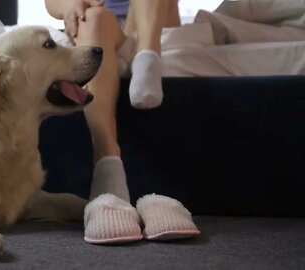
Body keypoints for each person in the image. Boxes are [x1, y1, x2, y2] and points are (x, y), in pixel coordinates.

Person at [44, 0, 200, 244]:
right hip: (101, 23)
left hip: (151, 18)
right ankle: (107, 161)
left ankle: (148, 52)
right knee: (94, 17)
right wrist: (68, 6)